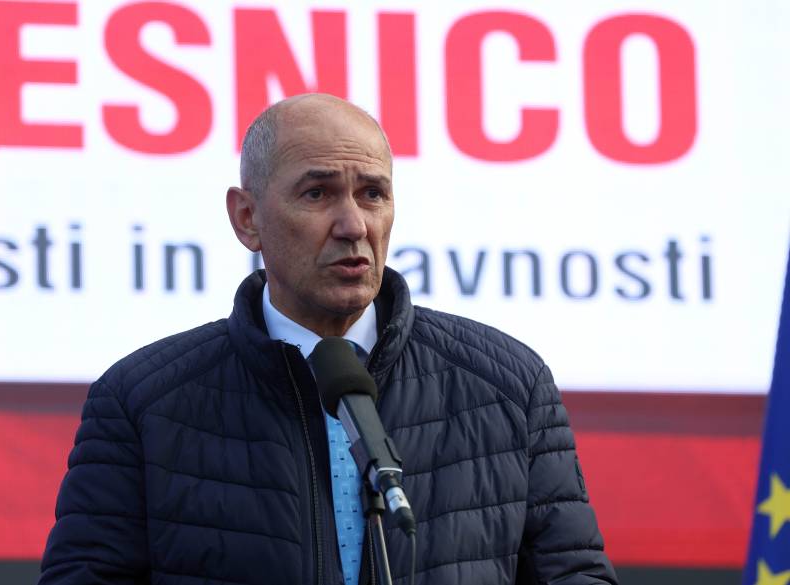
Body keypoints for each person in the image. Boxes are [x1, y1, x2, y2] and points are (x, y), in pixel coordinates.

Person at [39, 94, 618, 585]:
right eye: (317, 194)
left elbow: (574, 574)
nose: (354, 224)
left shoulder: (509, 385)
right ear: (247, 218)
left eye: (373, 194)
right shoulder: (141, 400)